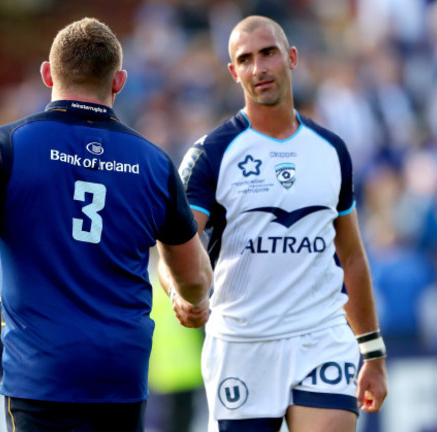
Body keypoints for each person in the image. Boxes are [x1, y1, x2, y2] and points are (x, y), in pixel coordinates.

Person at [0, 17, 213, 432]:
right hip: (119, 376)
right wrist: (193, 301)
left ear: (47, 74)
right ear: (119, 81)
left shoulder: (7, 146)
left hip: (40, 375)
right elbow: (194, 273)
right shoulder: (154, 162)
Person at [164, 15, 388, 432]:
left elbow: (352, 256)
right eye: (245, 60)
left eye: (268, 53)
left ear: (292, 57)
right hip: (243, 344)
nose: (258, 68)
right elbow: (176, 244)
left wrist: (372, 352)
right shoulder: (211, 154)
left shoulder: (331, 150)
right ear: (233, 72)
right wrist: (180, 291)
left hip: (320, 336)